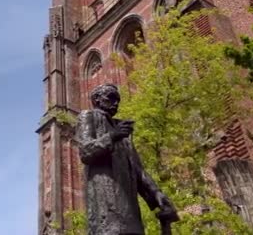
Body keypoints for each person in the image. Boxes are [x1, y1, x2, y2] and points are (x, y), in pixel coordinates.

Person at [76, 84, 178, 235]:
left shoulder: (122, 129)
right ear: (96, 99)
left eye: (118, 99)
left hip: (130, 212)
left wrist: (156, 194)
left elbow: (138, 170)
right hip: (106, 209)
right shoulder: (88, 116)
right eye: (111, 98)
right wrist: (112, 136)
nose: (116, 103)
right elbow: (86, 151)